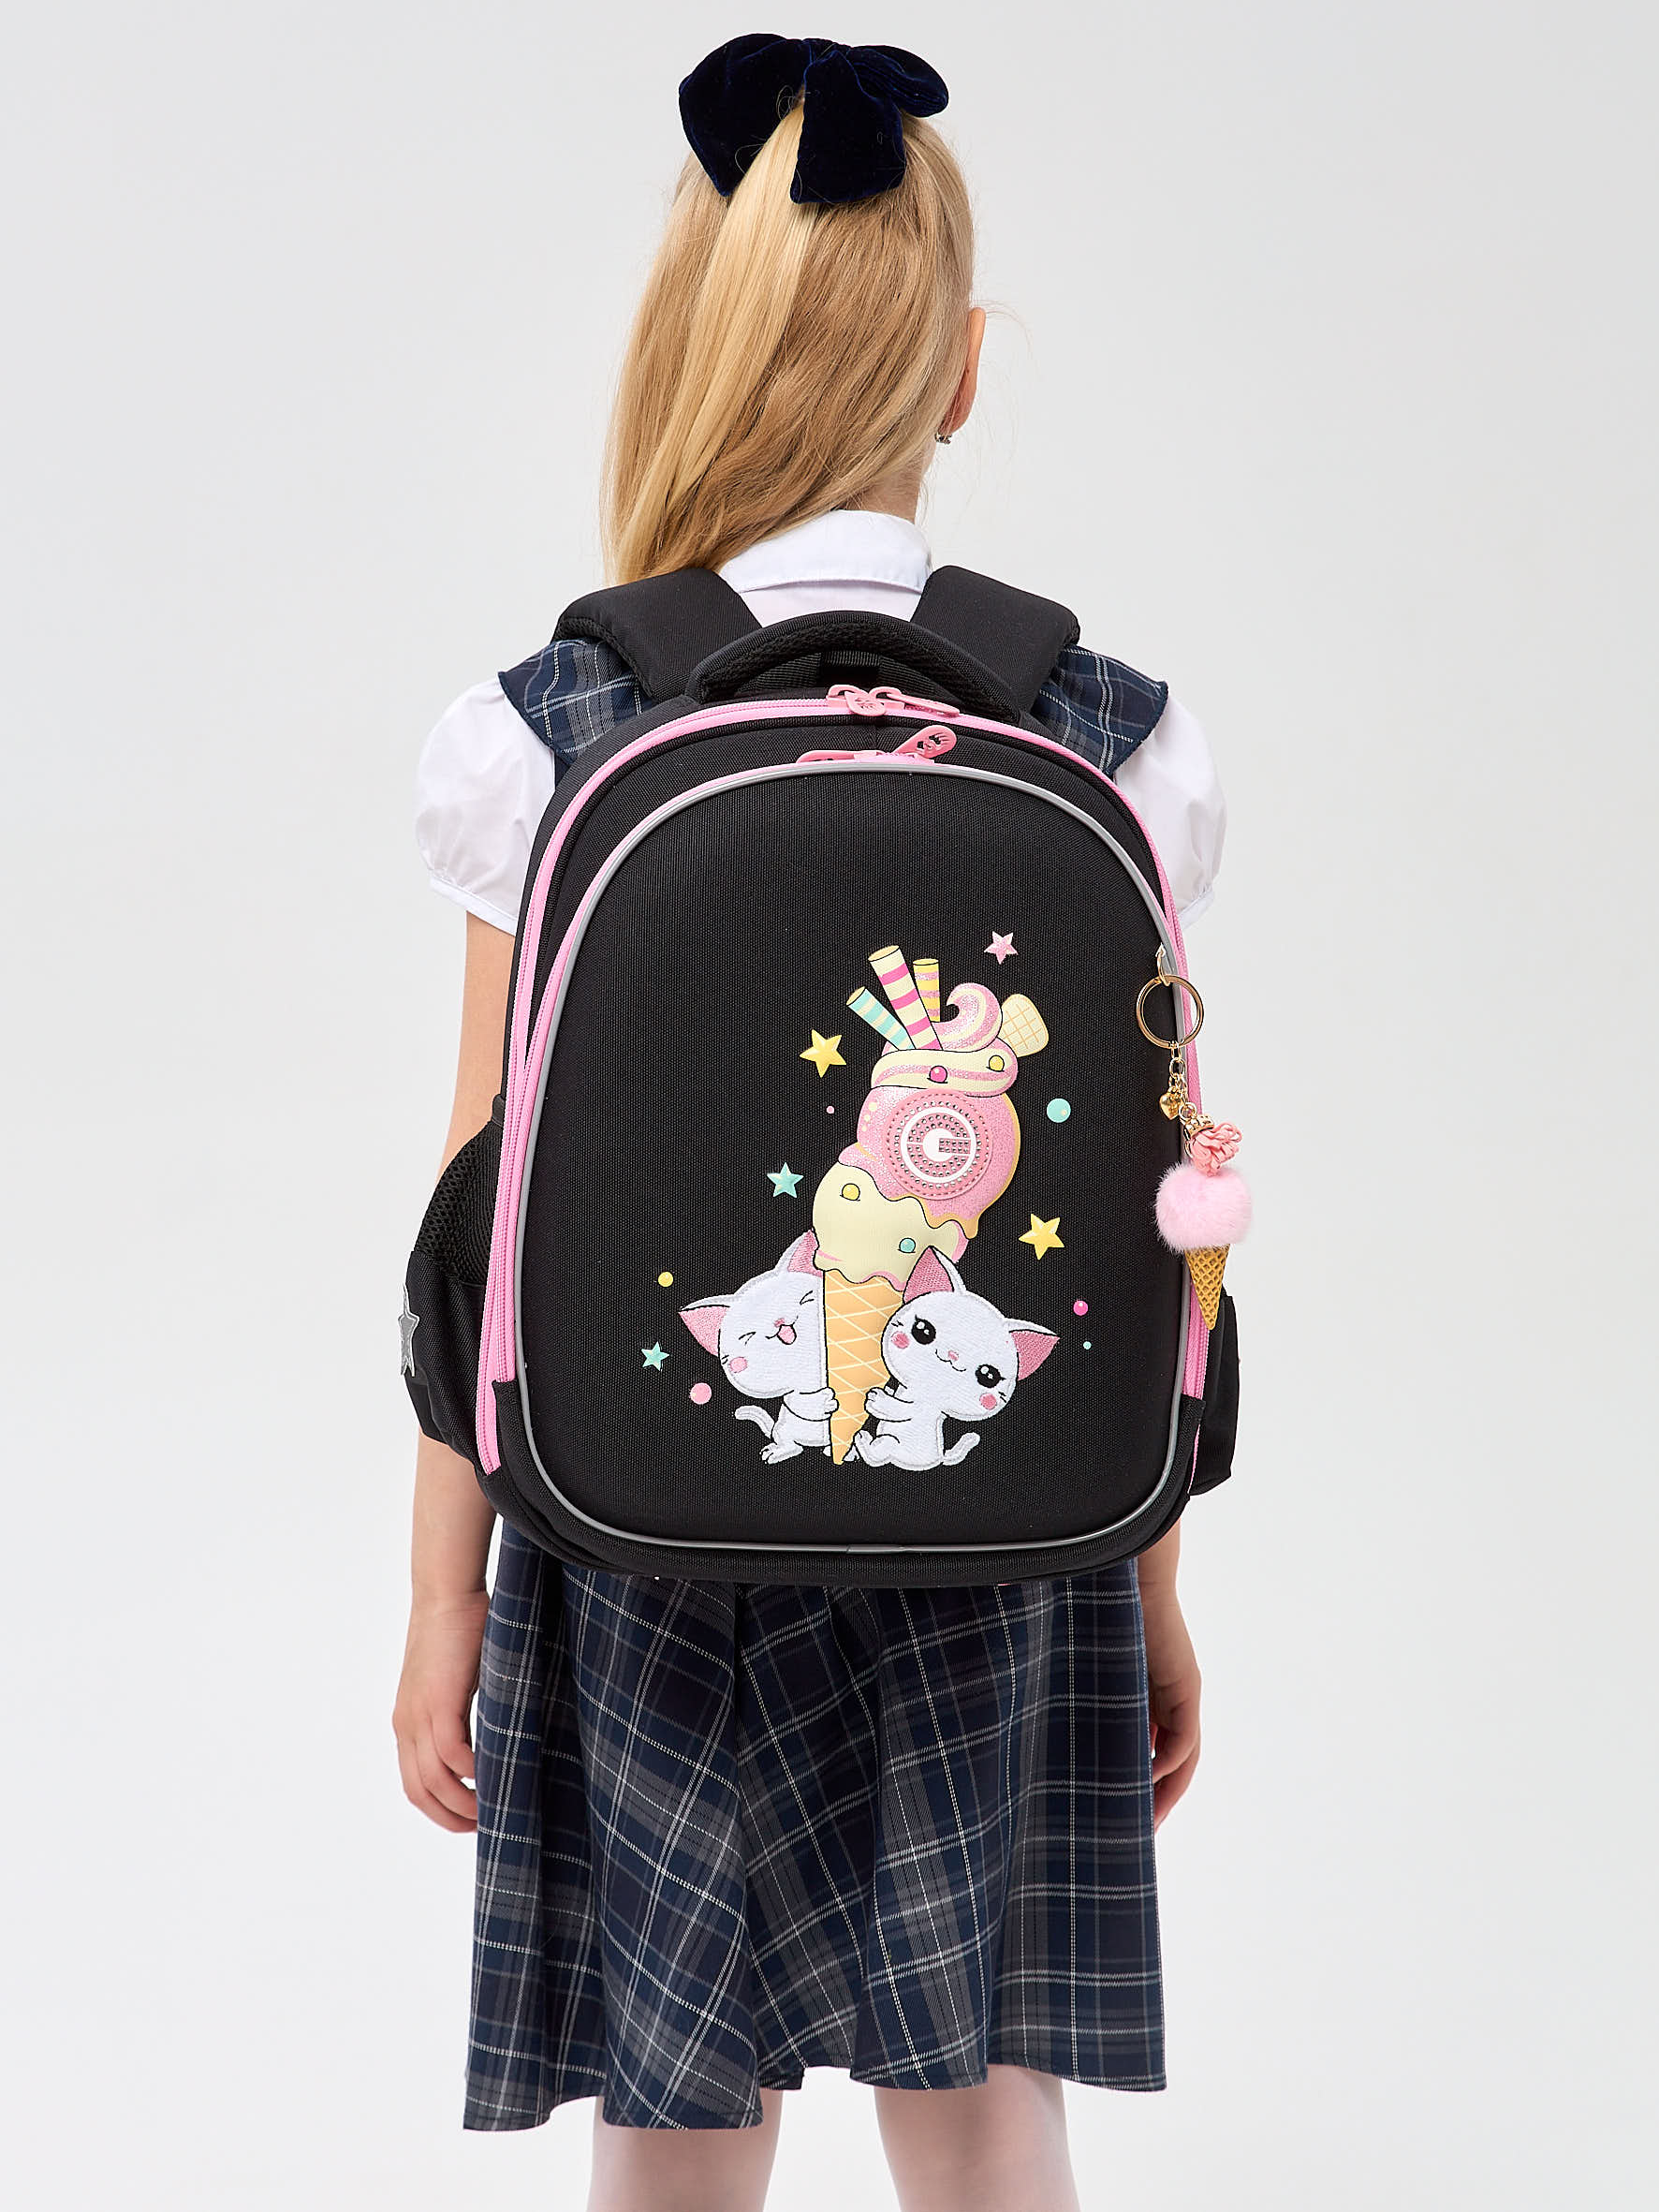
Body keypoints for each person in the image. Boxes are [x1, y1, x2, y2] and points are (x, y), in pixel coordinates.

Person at [394, 35, 1224, 2212]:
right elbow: (1151, 1222)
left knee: (680, 2097)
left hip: (633, 1527)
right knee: (984, 2093)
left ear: (689, 348)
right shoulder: (1115, 737)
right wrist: (1150, 1582)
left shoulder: (548, 731)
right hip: (1007, 1525)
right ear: (959, 372)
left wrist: (443, 1595)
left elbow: (479, 1218)